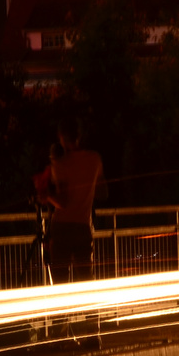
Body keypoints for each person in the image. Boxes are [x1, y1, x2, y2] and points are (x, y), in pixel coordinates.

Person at [40, 118, 107, 283]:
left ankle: (65, 309)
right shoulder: (94, 159)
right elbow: (103, 193)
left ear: (61, 136)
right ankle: (91, 309)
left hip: (62, 228)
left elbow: (62, 202)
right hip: (84, 226)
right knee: (85, 279)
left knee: (60, 280)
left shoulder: (60, 164)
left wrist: (45, 194)